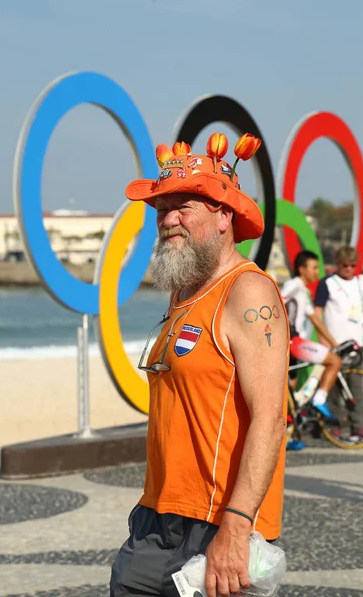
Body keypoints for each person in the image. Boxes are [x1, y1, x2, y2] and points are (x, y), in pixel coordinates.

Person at [110, 134, 290, 597]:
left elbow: (271, 419)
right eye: (161, 208)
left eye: (183, 206)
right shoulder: (184, 290)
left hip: (217, 524)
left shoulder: (248, 293)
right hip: (156, 519)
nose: (168, 219)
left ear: (225, 215)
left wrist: (236, 526)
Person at [314, 245, 363, 439]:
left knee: (356, 387)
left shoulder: (360, 283)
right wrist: (322, 337)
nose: (349, 269)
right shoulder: (328, 283)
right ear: (338, 265)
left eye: (352, 265)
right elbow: (317, 312)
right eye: (345, 265)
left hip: (356, 341)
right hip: (335, 343)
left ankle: (358, 425)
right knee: (334, 388)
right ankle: (335, 426)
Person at [280, 250, 342, 420]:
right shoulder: (294, 285)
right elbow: (276, 301)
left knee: (289, 395)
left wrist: (333, 342)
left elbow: (315, 319)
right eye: (314, 268)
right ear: (302, 269)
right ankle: (319, 399)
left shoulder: (303, 291)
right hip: (293, 341)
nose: (317, 272)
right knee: (335, 361)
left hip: (291, 342)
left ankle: (289, 434)